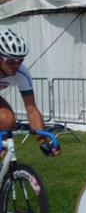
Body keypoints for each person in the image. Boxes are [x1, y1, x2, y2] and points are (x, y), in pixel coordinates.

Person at [0, 28, 60, 156]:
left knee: (7, 119)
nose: (16, 66)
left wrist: (42, 141)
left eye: (20, 61)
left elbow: (31, 109)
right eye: (11, 61)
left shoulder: (22, 74)